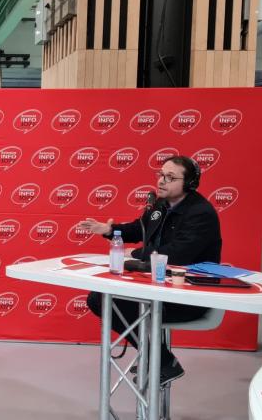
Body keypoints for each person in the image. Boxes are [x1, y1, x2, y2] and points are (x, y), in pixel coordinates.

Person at [78, 155, 221, 386]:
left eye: (170, 177)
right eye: (160, 175)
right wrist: (109, 229)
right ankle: (160, 359)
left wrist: (134, 255)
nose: (161, 181)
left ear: (190, 183)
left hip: (188, 296)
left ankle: (161, 361)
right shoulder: (160, 205)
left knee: (112, 302)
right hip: (159, 288)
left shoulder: (200, 214)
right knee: (98, 299)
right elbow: (139, 229)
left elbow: (177, 254)